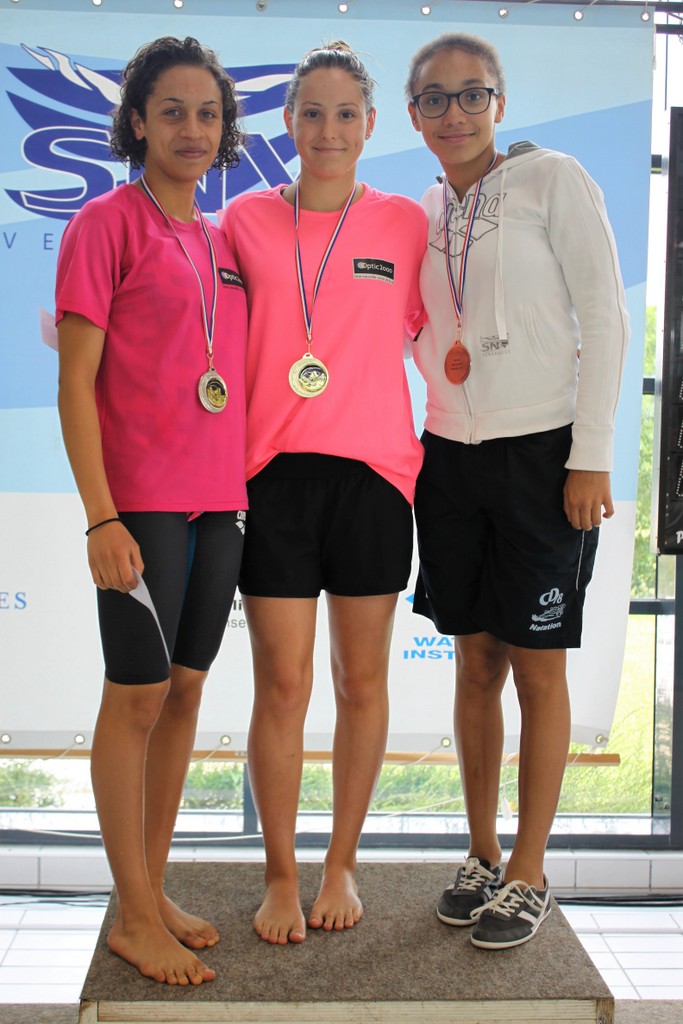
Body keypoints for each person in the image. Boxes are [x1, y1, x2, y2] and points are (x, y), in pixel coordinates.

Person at [406, 32, 629, 949]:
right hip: (448, 456)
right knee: (474, 661)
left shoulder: (552, 179)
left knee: (537, 665)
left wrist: (591, 455)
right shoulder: (425, 208)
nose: (453, 113)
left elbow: (605, 317)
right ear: (413, 113)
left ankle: (530, 871)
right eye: (434, 97)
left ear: (498, 102)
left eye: (472, 94)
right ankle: (482, 852)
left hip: (544, 456)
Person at [221, 41, 427, 945]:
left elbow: (444, 325)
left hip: (374, 479)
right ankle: (278, 872)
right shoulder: (243, 219)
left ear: (370, 125)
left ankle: (341, 861)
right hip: (271, 475)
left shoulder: (404, 225)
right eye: (313, 112)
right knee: (282, 682)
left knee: (361, 680)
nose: (329, 129)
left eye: (346, 114)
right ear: (289, 121)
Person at [56, 36, 247, 984]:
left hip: (221, 503)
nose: (191, 129)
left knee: (185, 693)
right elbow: (73, 385)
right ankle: (131, 913)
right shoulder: (105, 224)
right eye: (171, 111)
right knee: (135, 696)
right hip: (141, 505)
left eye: (207, 113)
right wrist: (101, 517)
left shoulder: (221, 241)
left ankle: (152, 888)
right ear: (137, 121)